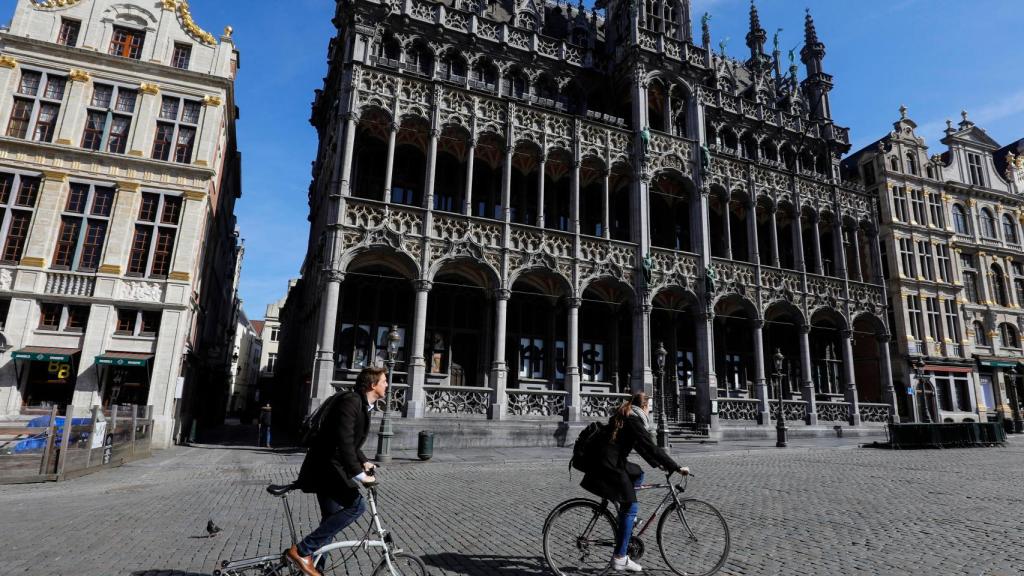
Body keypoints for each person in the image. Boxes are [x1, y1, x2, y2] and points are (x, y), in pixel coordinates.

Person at [286, 367, 386, 576]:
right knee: (357, 506)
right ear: (372, 385)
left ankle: (314, 569)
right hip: (325, 468)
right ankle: (302, 551)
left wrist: (364, 462)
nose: (387, 385)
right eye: (384, 381)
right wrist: (360, 475)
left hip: (330, 468)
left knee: (330, 520)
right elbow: (343, 442)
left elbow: (352, 443)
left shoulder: (361, 405)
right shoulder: (351, 401)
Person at [580, 392, 689, 573]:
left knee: (638, 474)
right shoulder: (633, 420)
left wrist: (661, 465)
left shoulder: (629, 417)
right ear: (644, 407)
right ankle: (620, 558)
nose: (650, 412)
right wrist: (676, 467)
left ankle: (623, 516)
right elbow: (650, 446)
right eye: (650, 408)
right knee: (631, 506)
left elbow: (641, 447)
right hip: (608, 465)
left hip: (610, 461)